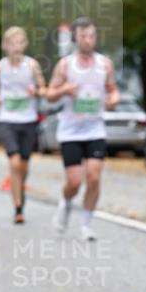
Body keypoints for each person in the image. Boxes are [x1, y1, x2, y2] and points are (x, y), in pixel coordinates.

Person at [47, 17, 119, 241]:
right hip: (70, 131)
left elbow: (113, 90)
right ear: (76, 38)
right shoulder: (65, 65)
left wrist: (113, 100)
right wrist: (64, 89)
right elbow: (49, 95)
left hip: (95, 129)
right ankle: (66, 202)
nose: (88, 40)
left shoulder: (104, 64)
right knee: (74, 182)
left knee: (94, 178)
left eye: (92, 36)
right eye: (83, 36)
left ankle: (86, 224)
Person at [0, 26, 47, 224]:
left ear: (25, 45)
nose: (16, 47)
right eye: (12, 43)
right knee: (14, 162)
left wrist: (36, 92)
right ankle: (18, 207)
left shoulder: (32, 66)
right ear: (5, 46)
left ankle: (19, 189)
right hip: (7, 119)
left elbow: (43, 88)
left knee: (23, 166)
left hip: (28, 119)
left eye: (20, 43)